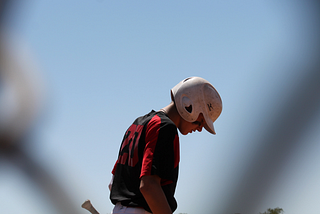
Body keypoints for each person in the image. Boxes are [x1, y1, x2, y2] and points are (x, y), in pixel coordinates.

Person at [109, 77, 222, 214]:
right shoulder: (164, 127)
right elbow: (149, 186)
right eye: (201, 121)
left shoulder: (138, 124)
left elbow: (113, 183)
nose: (199, 129)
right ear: (188, 105)